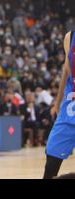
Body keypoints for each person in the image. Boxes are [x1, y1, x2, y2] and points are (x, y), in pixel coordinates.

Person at [43, 31, 75, 179]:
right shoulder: (70, 37)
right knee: (51, 160)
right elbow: (66, 70)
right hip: (70, 106)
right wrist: (57, 102)